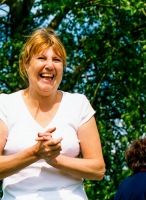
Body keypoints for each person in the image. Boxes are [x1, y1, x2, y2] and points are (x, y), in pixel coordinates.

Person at [0, 27, 106, 200]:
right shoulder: (4, 105)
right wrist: (35, 153)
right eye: (41, 58)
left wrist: (55, 159)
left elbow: (98, 170)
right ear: (26, 64)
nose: (49, 65)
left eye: (56, 60)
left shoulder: (78, 104)